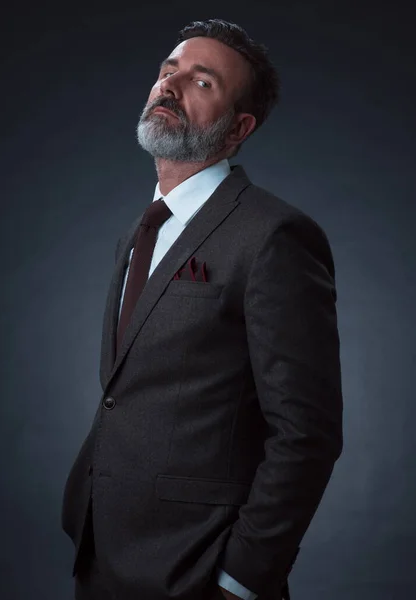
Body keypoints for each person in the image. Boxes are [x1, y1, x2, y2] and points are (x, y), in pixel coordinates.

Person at [61, 18, 343, 600]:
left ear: (239, 128)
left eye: (202, 82)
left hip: (197, 569)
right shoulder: (137, 235)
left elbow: (306, 433)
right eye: (168, 71)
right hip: (101, 555)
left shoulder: (275, 235)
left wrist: (238, 580)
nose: (171, 86)